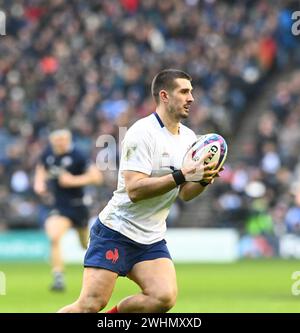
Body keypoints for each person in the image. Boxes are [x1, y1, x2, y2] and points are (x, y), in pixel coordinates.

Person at [58, 69, 222, 313]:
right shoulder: (141, 133)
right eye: (184, 92)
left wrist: (203, 179)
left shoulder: (189, 138)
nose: (191, 98)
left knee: (163, 297)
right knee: (89, 306)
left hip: (150, 237)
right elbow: (135, 190)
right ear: (165, 96)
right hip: (116, 230)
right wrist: (181, 175)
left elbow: (185, 193)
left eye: (192, 92)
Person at [34, 129, 103, 291]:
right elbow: (41, 169)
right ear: (52, 141)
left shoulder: (78, 155)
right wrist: (39, 183)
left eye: (64, 139)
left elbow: (97, 177)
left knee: (85, 243)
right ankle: (58, 277)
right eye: (58, 140)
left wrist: (73, 180)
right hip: (59, 206)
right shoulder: (48, 155)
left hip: (78, 206)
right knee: (54, 236)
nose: (61, 143)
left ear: (69, 140)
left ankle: (103, 267)